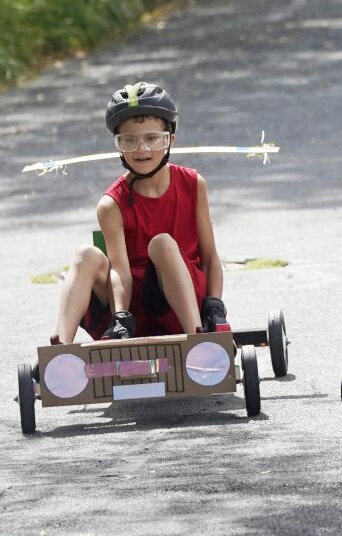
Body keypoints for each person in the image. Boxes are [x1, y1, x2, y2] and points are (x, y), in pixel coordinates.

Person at [52, 83, 227, 344]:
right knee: (84, 255)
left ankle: (199, 341)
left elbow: (210, 258)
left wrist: (214, 303)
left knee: (163, 243)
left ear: (169, 140)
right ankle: (59, 349)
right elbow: (120, 272)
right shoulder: (111, 204)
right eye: (129, 140)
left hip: (182, 308)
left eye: (151, 138)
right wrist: (121, 314)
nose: (141, 150)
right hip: (132, 316)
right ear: (118, 146)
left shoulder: (193, 184)